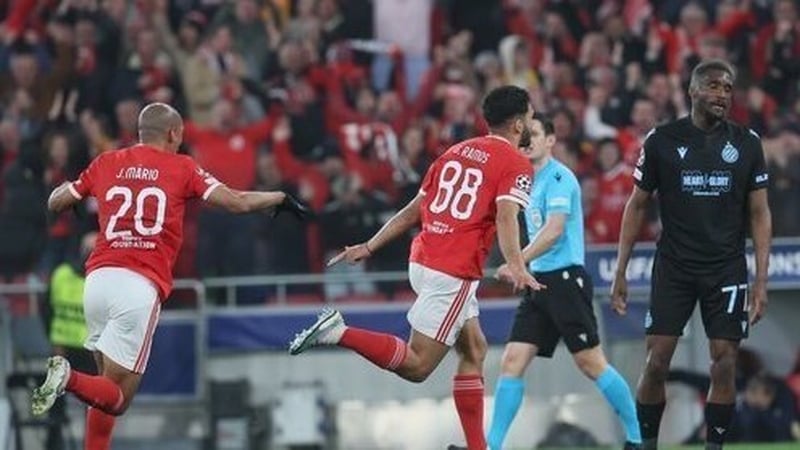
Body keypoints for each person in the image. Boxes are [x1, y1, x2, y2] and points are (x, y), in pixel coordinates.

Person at [31, 102, 308, 450]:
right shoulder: (182, 167)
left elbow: (56, 201)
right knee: (118, 398)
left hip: (97, 280)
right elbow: (236, 202)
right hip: (137, 286)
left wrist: (71, 195)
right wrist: (279, 197)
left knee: (103, 388)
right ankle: (67, 377)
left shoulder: (106, 163)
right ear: (173, 133)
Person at [288, 85, 544, 450]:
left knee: (474, 349)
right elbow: (506, 215)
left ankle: (478, 448)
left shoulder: (454, 152)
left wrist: (369, 245)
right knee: (418, 366)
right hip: (452, 270)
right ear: (518, 125)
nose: (532, 126)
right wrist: (517, 265)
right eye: (531, 119)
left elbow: (414, 210)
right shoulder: (516, 164)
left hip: (422, 257)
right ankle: (338, 332)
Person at [611, 59, 772, 450]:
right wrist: (620, 270)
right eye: (714, 86)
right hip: (675, 267)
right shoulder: (662, 140)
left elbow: (759, 213)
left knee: (725, 360)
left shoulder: (747, 143)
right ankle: (647, 443)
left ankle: (713, 447)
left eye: (728, 88)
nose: (722, 94)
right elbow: (636, 206)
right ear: (693, 91)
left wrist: (761, 281)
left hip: (727, 267)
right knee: (657, 362)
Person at [487, 114, 642, 450]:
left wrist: (516, 261)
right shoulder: (524, 181)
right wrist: (523, 267)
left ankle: (637, 438)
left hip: (565, 280)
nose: (527, 140)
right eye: (524, 134)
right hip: (538, 281)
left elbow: (555, 230)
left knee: (591, 363)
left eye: (536, 134)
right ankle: (490, 447)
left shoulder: (560, 177)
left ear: (551, 141)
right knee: (512, 361)